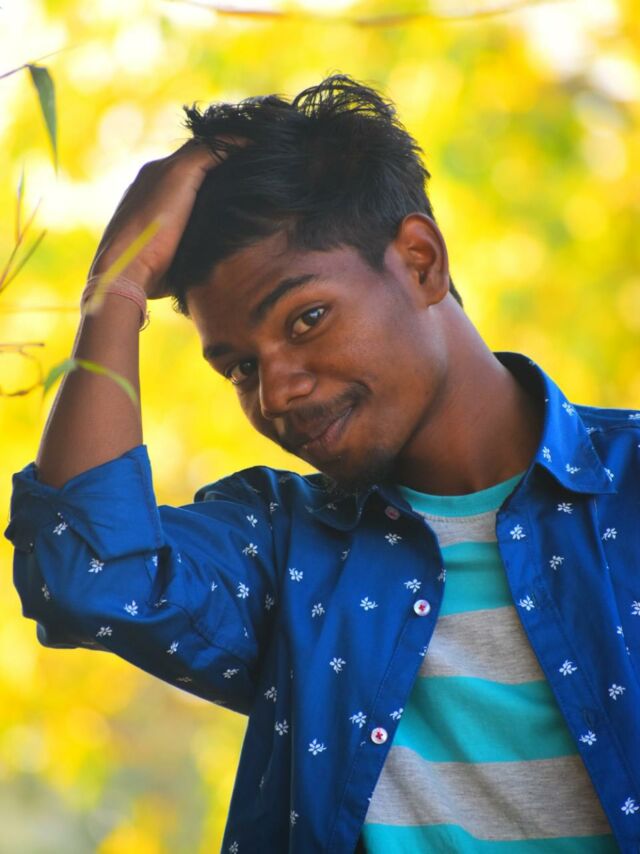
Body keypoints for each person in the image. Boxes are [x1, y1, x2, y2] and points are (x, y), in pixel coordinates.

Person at [5, 75, 639, 854]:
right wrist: (116, 286)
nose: (276, 393)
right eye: (240, 367)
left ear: (420, 262)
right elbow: (86, 579)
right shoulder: (285, 549)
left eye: (306, 319)